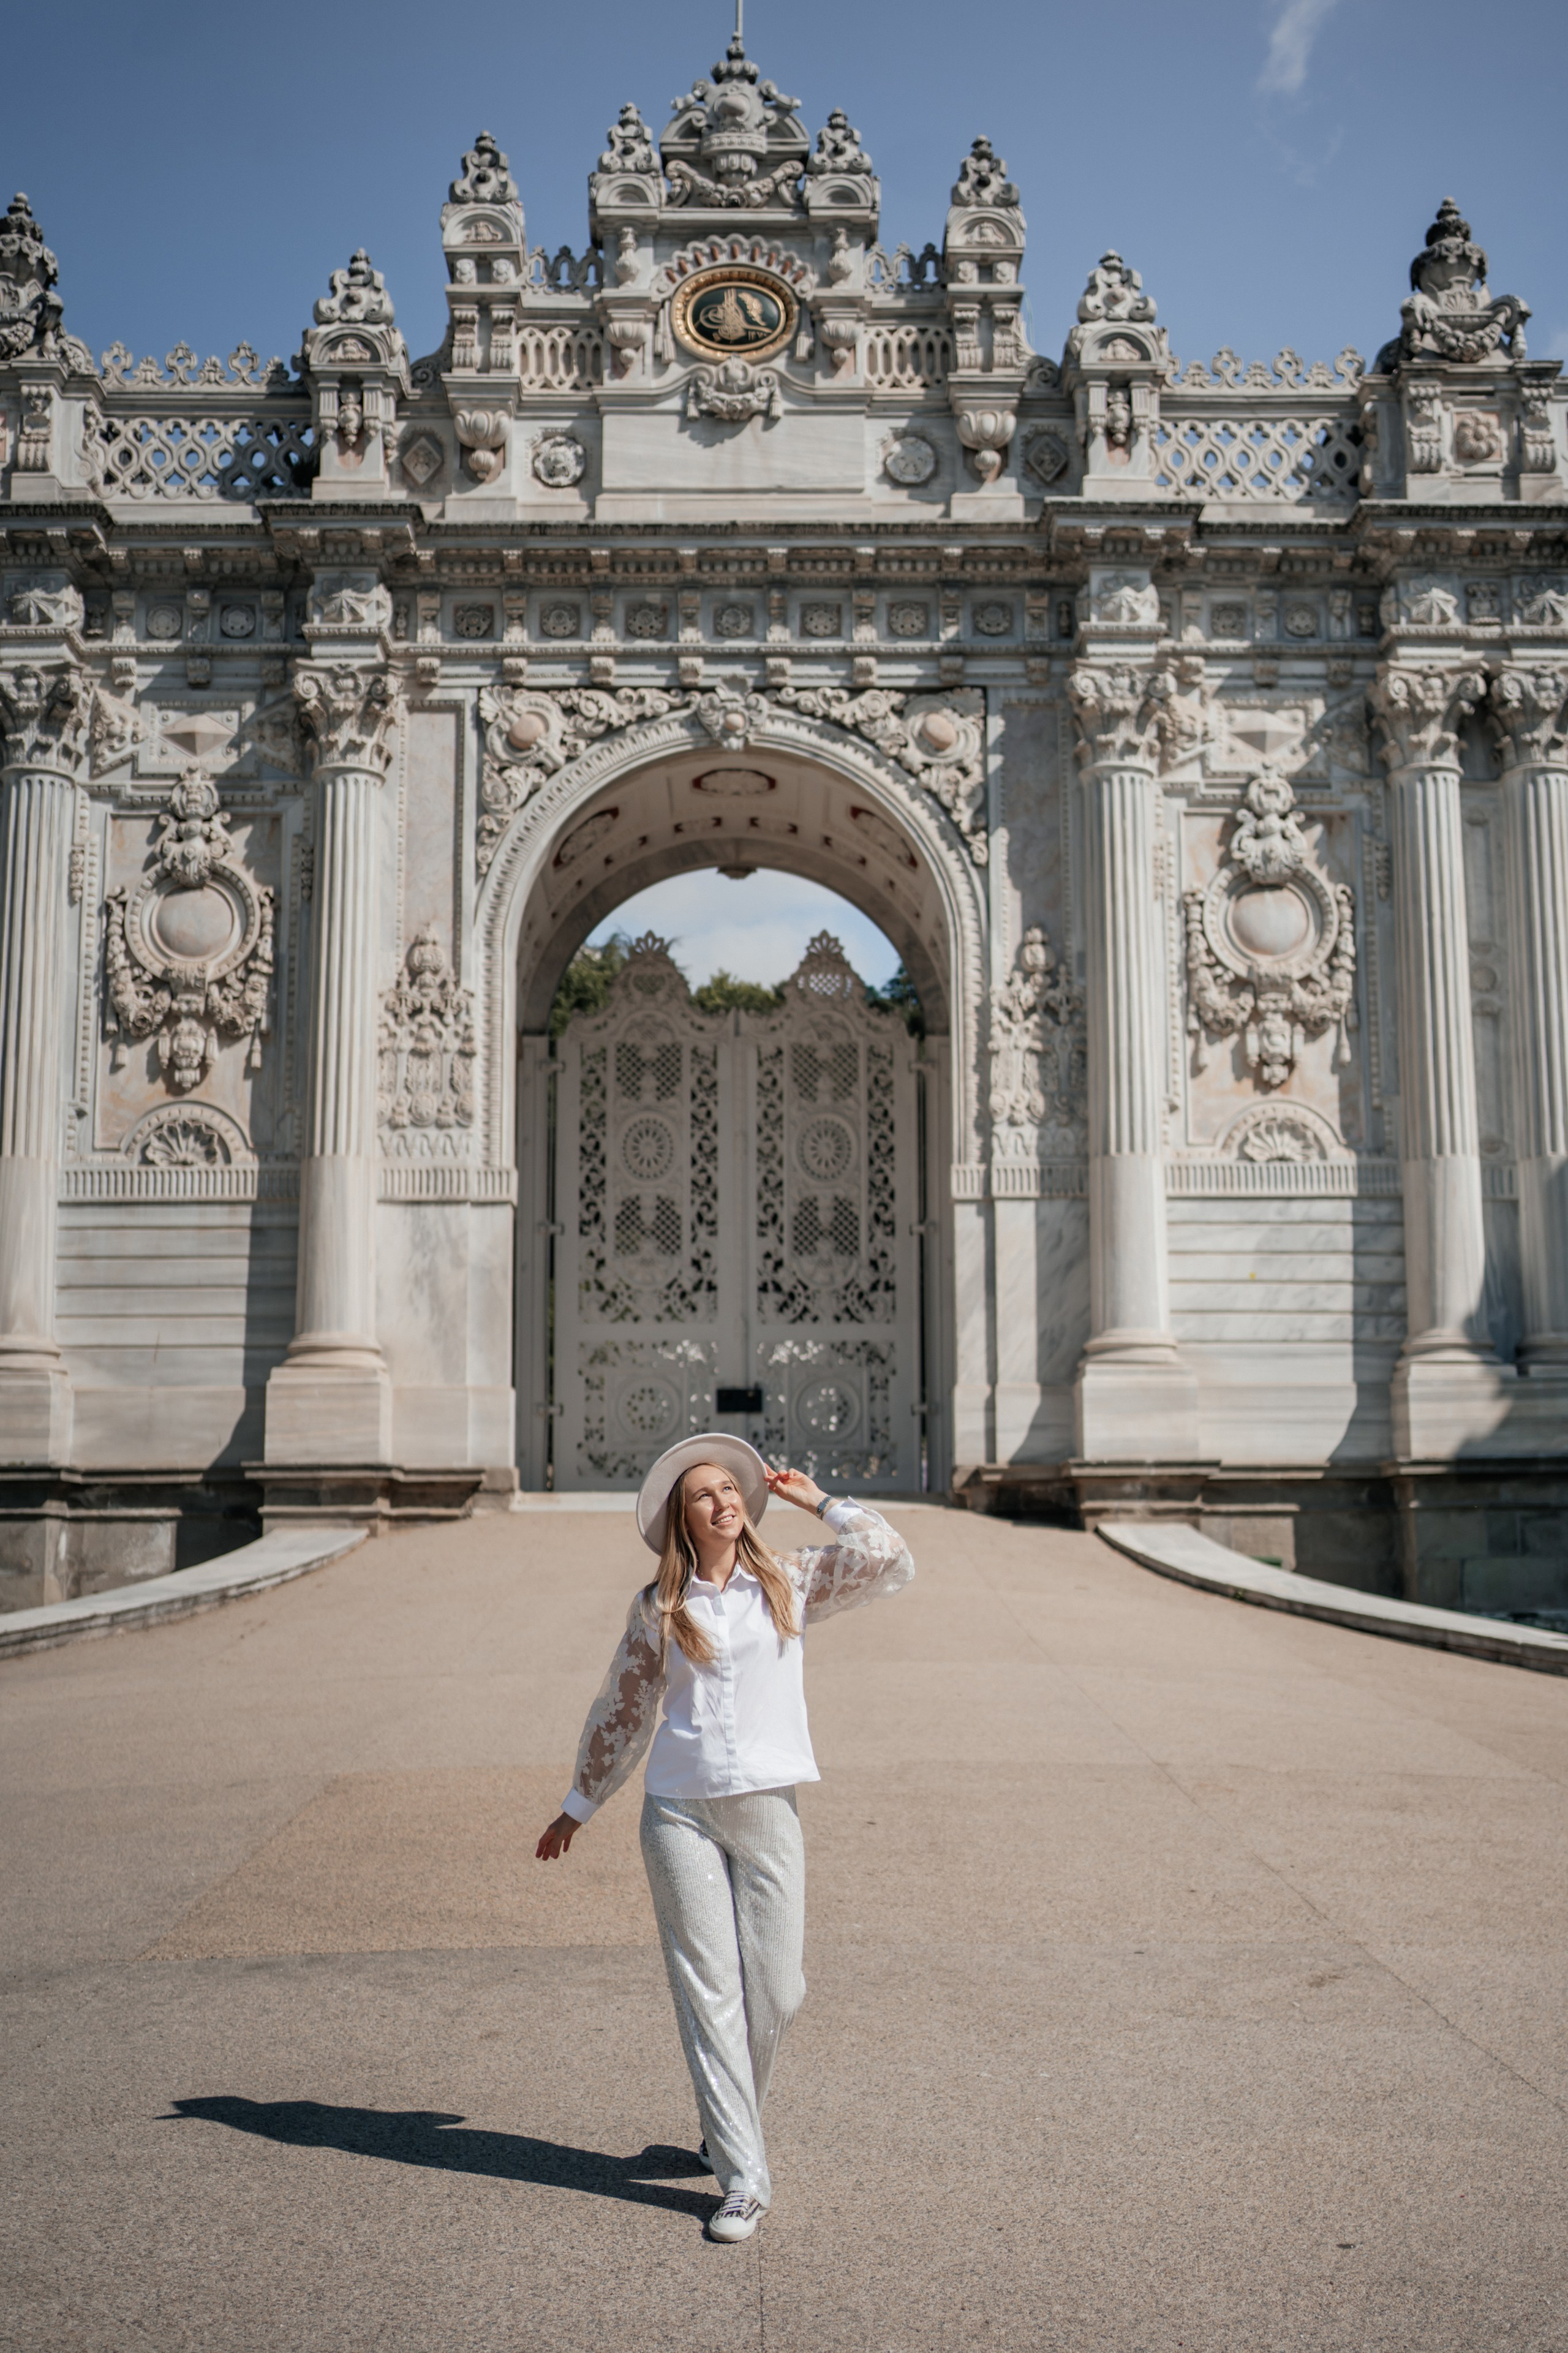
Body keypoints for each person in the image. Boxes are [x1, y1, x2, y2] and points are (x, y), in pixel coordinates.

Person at [535, 1434, 914, 2242]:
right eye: (705, 1493)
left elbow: (886, 1554)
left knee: (777, 1990)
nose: (724, 1499)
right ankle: (743, 2176)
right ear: (683, 1516)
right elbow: (624, 1709)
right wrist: (579, 1801)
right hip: (677, 1810)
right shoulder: (658, 1607)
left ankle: (723, 2122)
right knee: (709, 1991)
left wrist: (822, 1500)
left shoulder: (790, 1580)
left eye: (731, 1488)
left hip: (768, 1808)